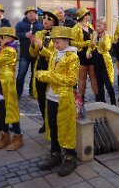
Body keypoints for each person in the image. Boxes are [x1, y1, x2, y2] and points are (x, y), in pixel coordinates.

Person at [36, 26, 80, 176]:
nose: (55, 45)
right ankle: (55, 153)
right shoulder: (55, 53)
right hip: (51, 96)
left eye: (58, 42)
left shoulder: (73, 56)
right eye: (54, 42)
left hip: (64, 97)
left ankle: (70, 156)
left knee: (66, 126)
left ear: (67, 41)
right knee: (53, 125)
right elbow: (49, 53)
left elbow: (72, 79)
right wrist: (41, 47)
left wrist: (47, 76)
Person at [29, 10, 58, 134]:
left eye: (49, 19)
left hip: (53, 69)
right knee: (41, 97)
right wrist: (32, 44)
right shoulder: (39, 33)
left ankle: (53, 124)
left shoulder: (58, 34)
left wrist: (42, 48)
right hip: (40, 66)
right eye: (44, 18)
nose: (45, 20)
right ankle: (45, 122)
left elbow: (55, 55)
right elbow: (33, 53)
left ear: (54, 22)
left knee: (52, 97)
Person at [71, 7, 99, 102]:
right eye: (87, 14)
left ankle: (98, 97)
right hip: (81, 55)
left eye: (88, 14)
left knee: (94, 76)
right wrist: (86, 43)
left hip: (91, 54)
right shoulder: (75, 28)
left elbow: (94, 38)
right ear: (82, 16)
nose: (88, 16)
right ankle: (81, 99)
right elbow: (73, 43)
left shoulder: (90, 26)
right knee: (82, 78)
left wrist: (94, 41)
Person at [86, 17, 116, 105]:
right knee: (99, 82)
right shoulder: (94, 35)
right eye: (96, 26)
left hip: (105, 62)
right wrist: (88, 52)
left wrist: (104, 37)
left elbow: (107, 47)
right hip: (96, 62)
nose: (97, 28)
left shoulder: (108, 35)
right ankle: (102, 101)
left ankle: (113, 102)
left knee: (108, 83)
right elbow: (90, 46)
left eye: (99, 26)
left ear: (104, 26)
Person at [15, 6, 43, 98]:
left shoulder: (40, 25)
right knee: (21, 74)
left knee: (34, 74)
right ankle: (18, 92)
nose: (32, 14)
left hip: (36, 54)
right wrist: (24, 35)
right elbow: (15, 34)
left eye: (34, 13)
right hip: (24, 53)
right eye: (30, 12)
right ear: (26, 14)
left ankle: (32, 91)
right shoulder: (20, 24)